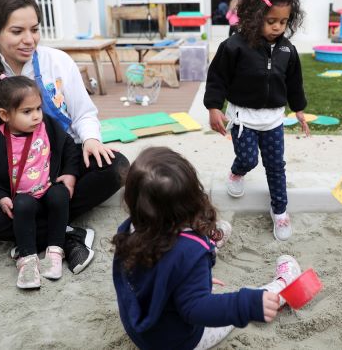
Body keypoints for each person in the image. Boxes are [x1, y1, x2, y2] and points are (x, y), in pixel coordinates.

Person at [0, 0, 129, 274]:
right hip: (5, 175)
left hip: (57, 166)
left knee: (117, 166)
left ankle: (30, 235)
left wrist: (90, 139)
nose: (29, 40)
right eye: (17, 31)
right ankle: (64, 234)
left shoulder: (58, 61)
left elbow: (84, 113)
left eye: (35, 29)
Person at [112, 147, 302, 350]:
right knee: (251, 298)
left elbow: (148, 273)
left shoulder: (131, 229)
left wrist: (183, 279)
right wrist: (246, 305)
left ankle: (208, 245)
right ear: (190, 198)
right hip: (178, 342)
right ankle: (283, 286)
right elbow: (197, 309)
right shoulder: (189, 253)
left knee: (190, 255)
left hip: (139, 330)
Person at [203, 0, 309, 241]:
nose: (277, 27)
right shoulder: (234, 47)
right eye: (271, 21)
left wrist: (299, 109)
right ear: (254, 14)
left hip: (273, 120)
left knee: (275, 166)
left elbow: (294, 83)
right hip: (243, 118)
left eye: (283, 22)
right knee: (249, 159)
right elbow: (217, 79)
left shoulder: (287, 50)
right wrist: (214, 107)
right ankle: (237, 172)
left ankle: (280, 211)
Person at [0, 75, 81, 288]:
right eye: (27, 112)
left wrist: (70, 174)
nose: (36, 117)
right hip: (23, 198)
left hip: (48, 188)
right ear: (5, 115)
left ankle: (55, 250)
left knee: (60, 194)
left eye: (38, 109)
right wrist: (0, 197)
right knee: (22, 205)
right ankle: (27, 259)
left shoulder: (47, 127)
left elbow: (70, 145)